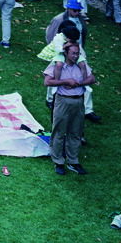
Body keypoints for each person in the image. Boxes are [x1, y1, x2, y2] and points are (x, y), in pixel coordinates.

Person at [44, 40, 94, 176]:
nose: (75, 56)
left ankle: (73, 161)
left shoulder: (81, 64)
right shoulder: (57, 64)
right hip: (63, 101)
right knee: (59, 132)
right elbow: (47, 81)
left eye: (77, 54)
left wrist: (79, 83)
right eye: (73, 53)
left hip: (78, 101)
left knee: (76, 132)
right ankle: (58, 161)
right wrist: (66, 81)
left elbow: (92, 79)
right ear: (65, 53)